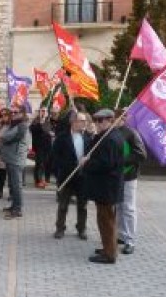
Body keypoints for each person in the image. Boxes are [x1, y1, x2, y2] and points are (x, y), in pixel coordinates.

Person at [82, 109, 125, 265]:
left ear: (110, 120)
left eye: (101, 121)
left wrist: (87, 163)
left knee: (106, 220)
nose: (98, 124)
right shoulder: (104, 137)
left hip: (107, 187)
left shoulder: (112, 139)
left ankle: (110, 254)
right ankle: (108, 247)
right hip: (104, 187)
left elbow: (106, 164)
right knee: (105, 219)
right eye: (96, 121)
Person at [52, 111, 91, 240]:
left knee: (82, 205)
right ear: (74, 122)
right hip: (66, 176)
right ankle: (60, 228)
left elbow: (92, 154)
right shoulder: (62, 137)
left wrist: (87, 161)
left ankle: (81, 228)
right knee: (63, 205)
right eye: (82, 121)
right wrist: (65, 168)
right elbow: (55, 157)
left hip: (83, 177)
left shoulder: (88, 137)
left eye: (85, 121)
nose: (85, 123)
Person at [115, 109, 147, 255]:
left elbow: (141, 154)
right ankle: (121, 235)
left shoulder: (132, 133)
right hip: (116, 176)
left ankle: (130, 240)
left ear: (124, 118)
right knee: (119, 207)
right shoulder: (112, 133)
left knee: (128, 208)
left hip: (129, 176)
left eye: (119, 117)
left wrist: (121, 161)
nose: (116, 120)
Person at [0, 105, 29, 220]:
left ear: (22, 113)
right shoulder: (14, 125)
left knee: (16, 185)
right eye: (11, 112)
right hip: (11, 158)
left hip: (16, 159)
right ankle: (13, 206)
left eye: (16, 112)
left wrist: (3, 136)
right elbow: (3, 134)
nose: (13, 114)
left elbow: (5, 136)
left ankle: (17, 209)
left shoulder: (21, 126)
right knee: (12, 184)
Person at [29, 108, 53, 188]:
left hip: (47, 145)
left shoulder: (48, 121)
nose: (43, 112)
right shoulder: (36, 121)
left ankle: (42, 179)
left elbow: (48, 130)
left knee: (45, 163)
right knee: (39, 163)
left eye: (45, 111)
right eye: (42, 111)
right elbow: (32, 130)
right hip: (39, 146)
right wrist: (40, 123)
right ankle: (38, 181)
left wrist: (51, 133)